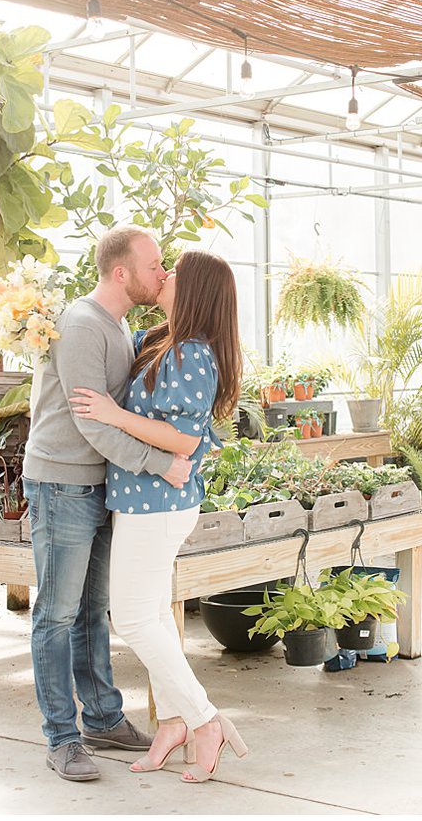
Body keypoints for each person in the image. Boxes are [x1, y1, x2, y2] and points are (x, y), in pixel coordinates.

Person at [69, 249, 250, 784]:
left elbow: (185, 438)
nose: (164, 275)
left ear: (195, 291)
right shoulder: (163, 340)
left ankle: (204, 720)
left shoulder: (194, 352)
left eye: (175, 273)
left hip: (159, 505)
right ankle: (172, 722)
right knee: (149, 619)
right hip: (144, 501)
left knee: (132, 618)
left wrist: (112, 414)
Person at [23, 226, 193, 782]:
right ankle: (63, 738)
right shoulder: (80, 326)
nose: (162, 274)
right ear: (121, 273)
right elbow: (90, 422)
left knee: (92, 612)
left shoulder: (117, 326)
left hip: (100, 487)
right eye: (154, 266)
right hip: (63, 484)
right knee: (56, 615)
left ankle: (101, 718)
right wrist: (159, 463)